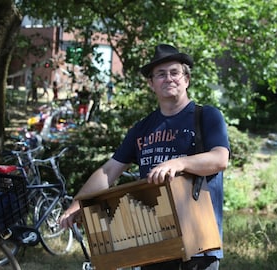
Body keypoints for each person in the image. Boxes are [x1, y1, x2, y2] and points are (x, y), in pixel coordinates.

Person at [59, 44, 230, 270]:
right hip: (153, 242)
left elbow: (219, 159)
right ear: (151, 84)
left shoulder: (206, 115)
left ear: (186, 79)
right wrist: (76, 205)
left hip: (199, 242)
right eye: (160, 74)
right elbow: (108, 171)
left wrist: (179, 163)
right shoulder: (142, 128)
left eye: (174, 72)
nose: (168, 78)